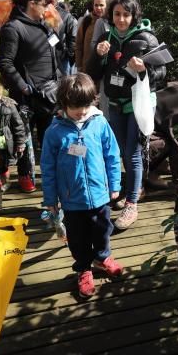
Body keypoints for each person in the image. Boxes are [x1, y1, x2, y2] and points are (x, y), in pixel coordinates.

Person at [87, 0, 166, 230]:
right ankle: (132, 189)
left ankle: (132, 202)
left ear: (134, 15)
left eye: (126, 15)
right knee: (122, 150)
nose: (121, 19)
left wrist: (143, 70)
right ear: (111, 14)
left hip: (138, 104)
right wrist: (99, 56)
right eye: (117, 14)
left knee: (132, 151)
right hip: (115, 102)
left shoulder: (146, 39)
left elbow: (161, 75)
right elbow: (94, 73)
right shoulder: (105, 37)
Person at [40, 73, 122, 299]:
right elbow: (47, 168)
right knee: (78, 237)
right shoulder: (54, 132)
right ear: (64, 104)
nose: (82, 111)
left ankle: (103, 256)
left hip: (100, 194)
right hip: (71, 199)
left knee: (103, 229)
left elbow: (112, 155)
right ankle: (84, 268)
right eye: (76, 106)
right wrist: (51, 199)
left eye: (86, 105)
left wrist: (114, 184)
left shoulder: (100, 123)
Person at [0, 0, 60, 192]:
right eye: (45, 4)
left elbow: (52, 56)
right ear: (31, 3)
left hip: (49, 95)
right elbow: (4, 63)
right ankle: (24, 175)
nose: (48, 9)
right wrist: (23, 87)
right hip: (26, 97)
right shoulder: (12, 28)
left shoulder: (44, 26)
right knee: (22, 137)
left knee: (49, 138)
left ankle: (50, 176)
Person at [0, 74, 26, 211]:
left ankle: (4, 182)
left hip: (6, 143)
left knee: (4, 165)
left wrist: (20, 143)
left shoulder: (8, 104)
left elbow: (18, 125)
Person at [44, 0, 78, 75]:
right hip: (42, 55)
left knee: (64, 84)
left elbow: (73, 37)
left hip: (60, 57)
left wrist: (68, 53)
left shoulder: (65, 15)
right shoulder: (39, 11)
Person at [75, 0, 107, 73]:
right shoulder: (86, 21)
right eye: (96, 5)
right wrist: (79, 65)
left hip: (105, 69)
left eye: (101, 5)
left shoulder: (112, 23)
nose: (98, 8)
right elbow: (78, 44)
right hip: (87, 68)